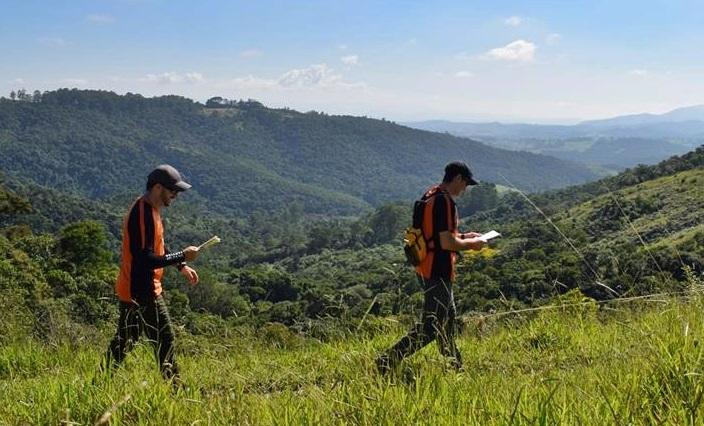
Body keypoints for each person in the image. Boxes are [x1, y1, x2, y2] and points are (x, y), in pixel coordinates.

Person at [377, 161, 486, 374]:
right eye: (465, 184)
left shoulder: (430, 195)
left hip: (425, 265)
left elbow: (435, 236)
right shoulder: (445, 202)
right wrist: (472, 245)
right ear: (457, 179)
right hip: (438, 270)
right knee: (431, 326)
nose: (465, 189)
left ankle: (455, 367)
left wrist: (464, 236)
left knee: (448, 318)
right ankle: (387, 361)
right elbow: (446, 243)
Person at [103, 164, 200, 384]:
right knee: (165, 339)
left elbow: (156, 249)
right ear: (158, 188)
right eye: (172, 191)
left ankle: (99, 384)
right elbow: (144, 259)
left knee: (125, 340)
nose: (176, 195)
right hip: (141, 289)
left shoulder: (151, 211)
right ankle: (177, 393)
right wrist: (181, 255)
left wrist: (181, 265)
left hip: (134, 288)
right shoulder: (142, 213)